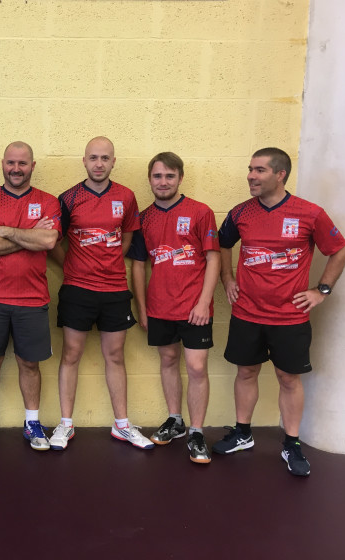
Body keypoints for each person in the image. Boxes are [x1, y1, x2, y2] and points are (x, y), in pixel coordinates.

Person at [214, 147, 345, 476]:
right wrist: (227, 278)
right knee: (246, 372)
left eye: (259, 170)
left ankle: (291, 444)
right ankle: (243, 434)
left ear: (280, 174)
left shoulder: (309, 213)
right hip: (247, 313)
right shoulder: (240, 212)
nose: (251, 176)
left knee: (288, 378)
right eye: (250, 169)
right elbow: (223, 244)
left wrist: (321, 290)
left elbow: (339, 250)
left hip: (290, 317)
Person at [49, 136, 150, 450]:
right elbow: (52, 241)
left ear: (113, 161)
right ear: (84, 160)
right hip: (77, 289)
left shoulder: (126, 196)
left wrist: (110, 261)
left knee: (115, 356)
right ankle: (66, 424)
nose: (99, 163)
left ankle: (122, 424)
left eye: (105, 158)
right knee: (71, 354)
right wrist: (71, 265)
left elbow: (128, 235)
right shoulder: (68, 198)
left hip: (115, 289)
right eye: (93, 157)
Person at [0, 141, 61, 452]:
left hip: (32, 299)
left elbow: (49, 241)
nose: (16, 169)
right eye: (11, 162)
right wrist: (30, 234)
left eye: (22, 163)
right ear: (2, 164)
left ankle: (33, 423)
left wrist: (5, 230)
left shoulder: (48, 201)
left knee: (29, 363)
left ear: (32, 166)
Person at [128, 152, 220, 463]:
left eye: (170, 176)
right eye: (157, 176)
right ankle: (175, 420)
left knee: (197, 367)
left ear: (180, 178)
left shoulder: (200, 212)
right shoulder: (143, 218)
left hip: (195, 308)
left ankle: (196, 432)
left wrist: (204, 302)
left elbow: (213, 258)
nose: (163, 182)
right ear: (149, 179)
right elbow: (138, 265)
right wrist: (142, 307)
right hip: (159, 307)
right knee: (168, 360)